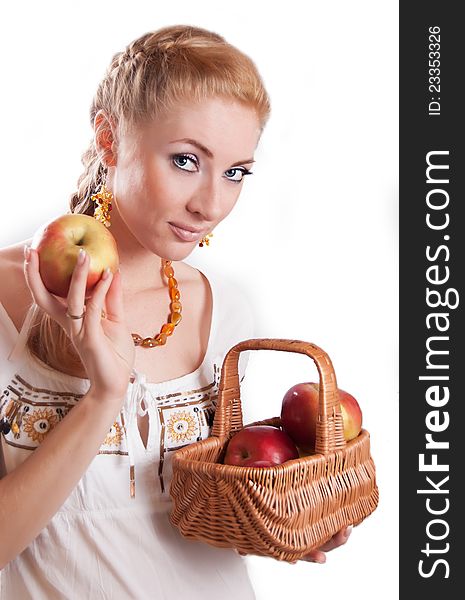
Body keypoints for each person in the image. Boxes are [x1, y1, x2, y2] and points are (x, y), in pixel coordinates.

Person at [0, 24, 350, 599]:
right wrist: (103, 399)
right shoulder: (5, 301)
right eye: (187, 160)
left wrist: (276, 522)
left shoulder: (223, 311)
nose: (211, 204)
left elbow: (184, 519)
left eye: (236, 172)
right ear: (109, 139)